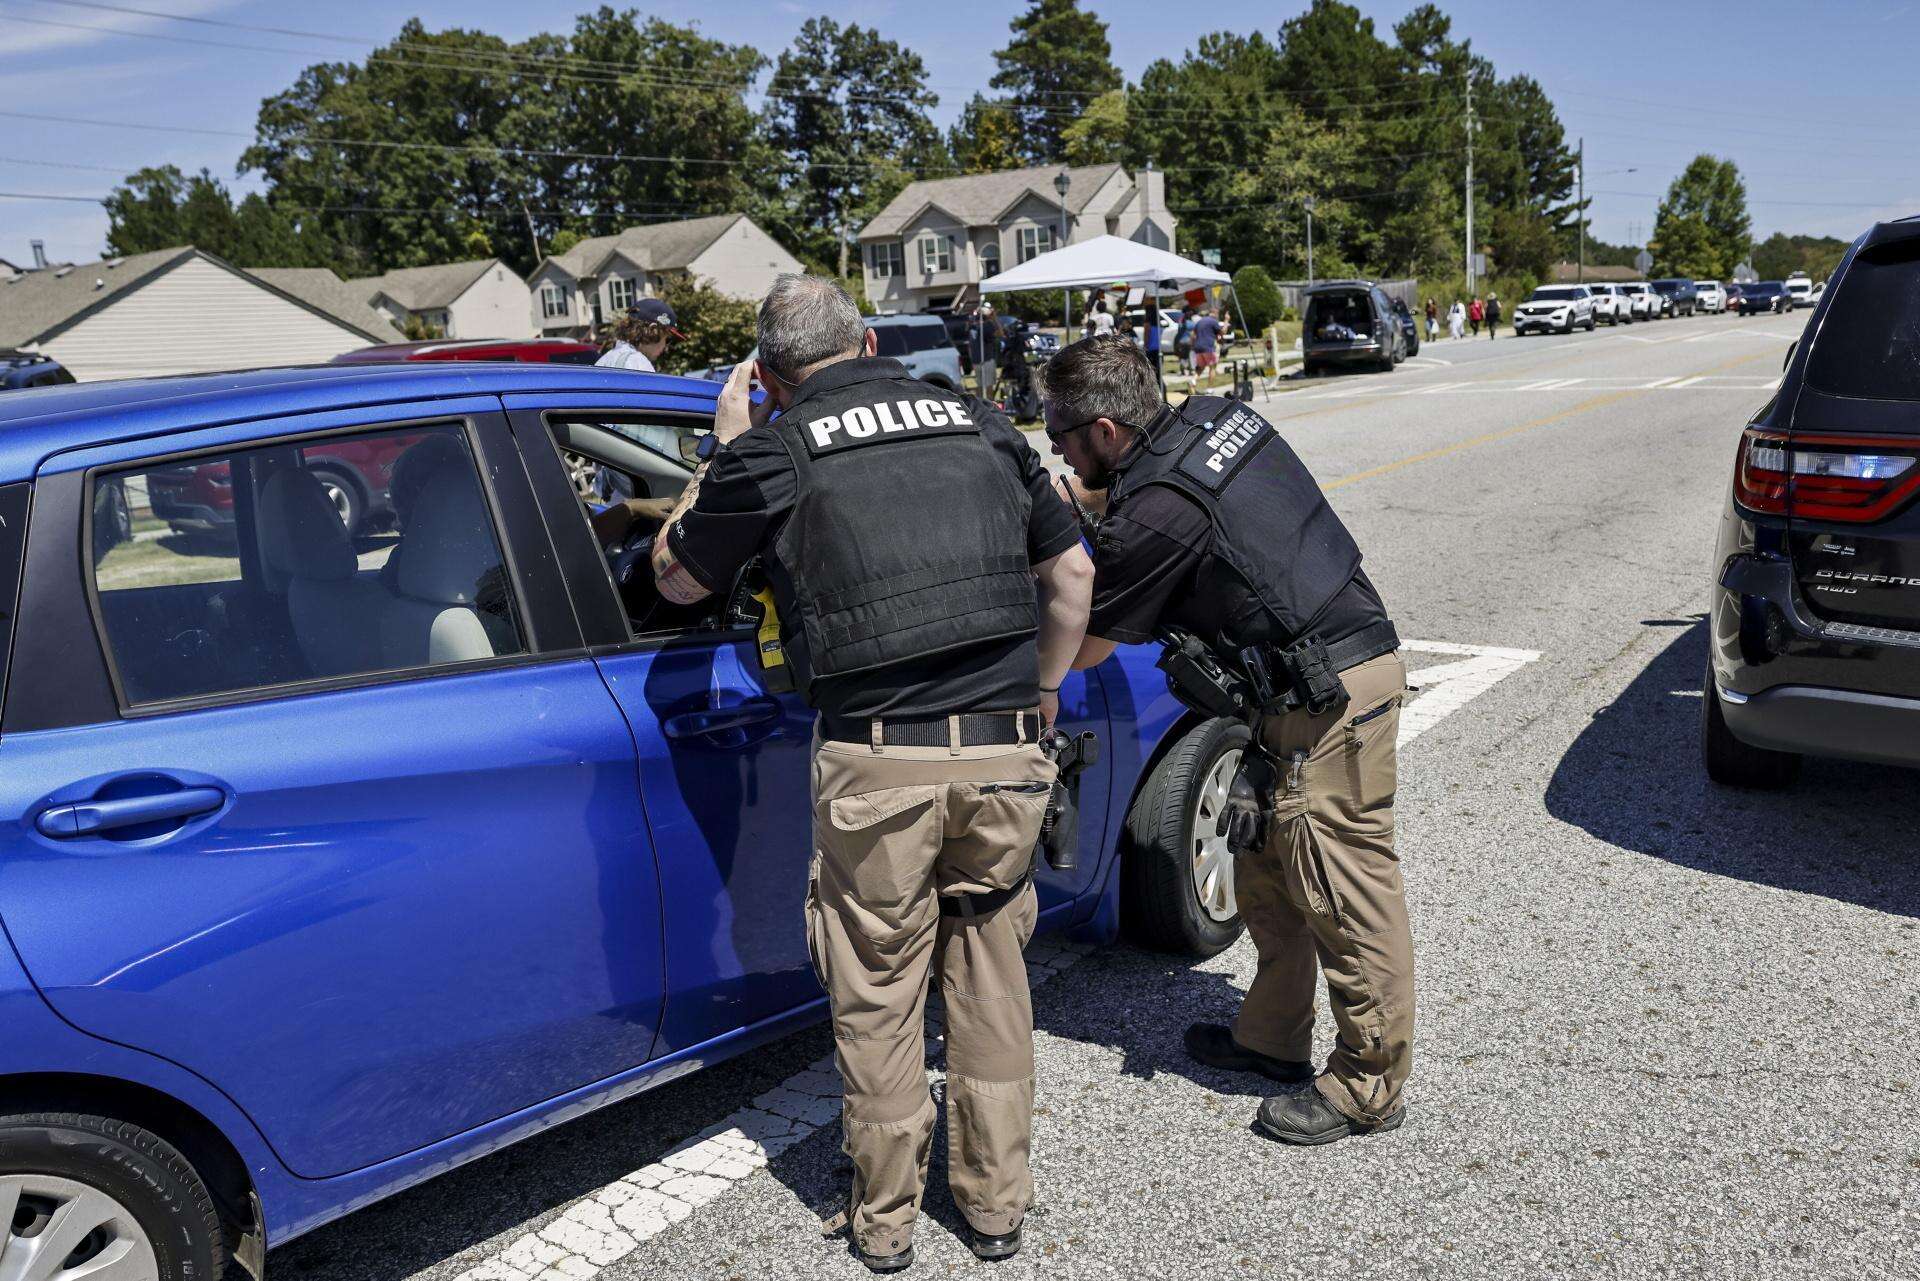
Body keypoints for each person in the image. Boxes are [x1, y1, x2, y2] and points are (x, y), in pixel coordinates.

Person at [651, 275, 1094, 1271]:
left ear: (768, 374)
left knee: (880, 990)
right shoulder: (979, 421)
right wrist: (1047, 691)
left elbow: (676, 580)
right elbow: (1072, 577)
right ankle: (993, 1208)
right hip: (1005, 746)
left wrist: (724, 449)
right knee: (988, 976)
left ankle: (885, 1223)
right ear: (870, 342)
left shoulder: (771, 451)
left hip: (880, 761)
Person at [1040, 335, 1414, 1150]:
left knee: (1345, 891)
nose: (1057, 449)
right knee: (1269, 868)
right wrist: (1088, 504)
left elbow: (1089, 644)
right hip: (1300, 687)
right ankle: (1272, 1039)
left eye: (1060, 435)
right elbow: (1191, 514)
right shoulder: (1213, 420)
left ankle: (1368, 1082)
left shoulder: (1153, 513)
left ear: (1104, 431)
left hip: (1334, 698)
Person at [595, 298, 682, 371]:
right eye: (667, 339)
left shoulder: (603, 360)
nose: (665, 347)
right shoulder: (638, 363)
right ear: (653, 331)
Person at [969, 302, 1002, 401]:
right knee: (989, 389)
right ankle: (991, 411)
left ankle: (979, 410)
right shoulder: (988, 325)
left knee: (979, 387)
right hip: (986, 360)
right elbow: (1001, 333)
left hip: (976, 361)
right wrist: (995, 318)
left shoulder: (973, 326)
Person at [1190, 307, 1222, 380]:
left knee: (1201, 367)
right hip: (1208, 347)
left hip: (1198, 348)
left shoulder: (1200, 321)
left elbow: (1192, 335)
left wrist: (1192, 345)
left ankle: (1193, 381)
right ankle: (1209, 389)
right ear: (1215, 313)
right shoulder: (1213, 321)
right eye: (1217, 314)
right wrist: (1226, 321)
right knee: (1213, 367)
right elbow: (1221, 333)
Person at [1142, 296, 1165, 392]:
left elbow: (1147, 336)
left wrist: (1145, 347)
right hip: (1158, 350)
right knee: (1159, 377)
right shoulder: (1159, 323)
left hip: (1150, 351)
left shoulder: (1148, 323)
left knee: (1150, 376)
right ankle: (1164, 397)